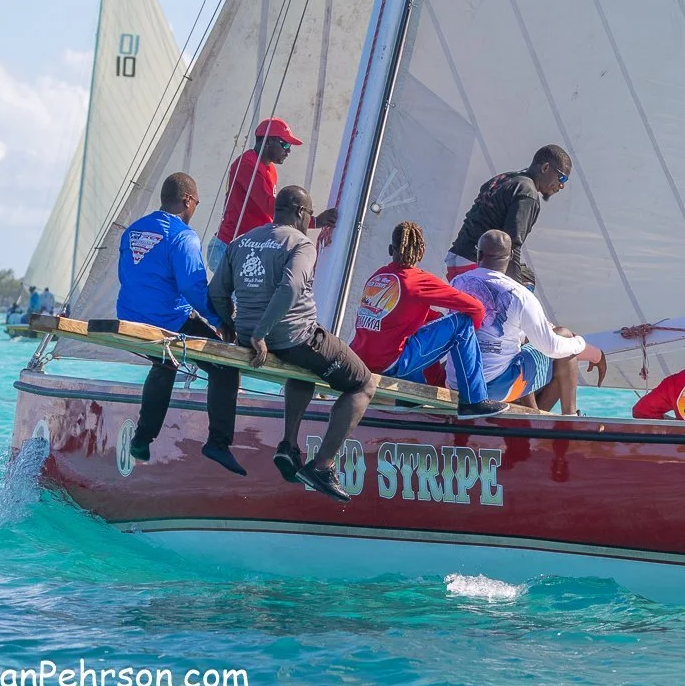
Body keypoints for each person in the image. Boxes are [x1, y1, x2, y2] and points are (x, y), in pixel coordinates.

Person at [209, 185, 372, 502]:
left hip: (251, 337)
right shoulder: (302, 244)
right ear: (301, 213)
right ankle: (323, 466)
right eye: (310, 215)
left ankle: (288, 446)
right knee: (362, 383)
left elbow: (217, 293)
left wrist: (233, 328)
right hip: (294, 337)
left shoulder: (242, 242)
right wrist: (261, 332)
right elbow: (291, 287)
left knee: (305, 370)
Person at [116, 173, 243, 475]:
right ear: (187, 199)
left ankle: (142, 439)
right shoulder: (183, 236)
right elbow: (194, 289)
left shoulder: (133, 230)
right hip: (166, 321)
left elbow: (129, 277)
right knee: (225, 368)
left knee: (165, 361)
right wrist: (221, 322)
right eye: (196, 201)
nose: (196, 207)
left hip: (128, 316)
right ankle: (218, 443)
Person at [349, 221, 507, 416]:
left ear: (391, 249)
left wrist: (437, 321)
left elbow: (396, 316)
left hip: (360, 360)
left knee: (431, 321)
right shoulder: (418, 280)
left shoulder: (378, 276)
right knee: (462, 323)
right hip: (391, 364)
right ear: (421, 252)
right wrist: (469, 336)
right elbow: (475, 307)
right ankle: (473, 401)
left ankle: (408, 398)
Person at [449, 229, 607, 413]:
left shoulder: (457, 284)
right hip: (494, 390)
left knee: (525, 350)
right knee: (564, 339)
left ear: (479, 254)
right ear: (509, 258)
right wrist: (582, 345)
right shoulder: (520, 295)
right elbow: (551, 347)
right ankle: (569, 418)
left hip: (456, 384)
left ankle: (537, 417)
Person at [207, 117, 337, 270]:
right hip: (230, 248)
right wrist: (313, 222)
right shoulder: (247, 164)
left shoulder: (269, 168)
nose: (288, 150)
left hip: (247, 248)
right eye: (285, 144)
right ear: (267, 142)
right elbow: (272, 208)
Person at [446, 144, 571, 286]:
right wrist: (516, 290)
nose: (562, 186)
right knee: (524, 284)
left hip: (456, 258)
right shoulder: (527, 193)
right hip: (475, 267)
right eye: (562, 178)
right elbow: (511, 244)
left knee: (524, 274)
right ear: (545, 168)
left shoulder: (502, 179)